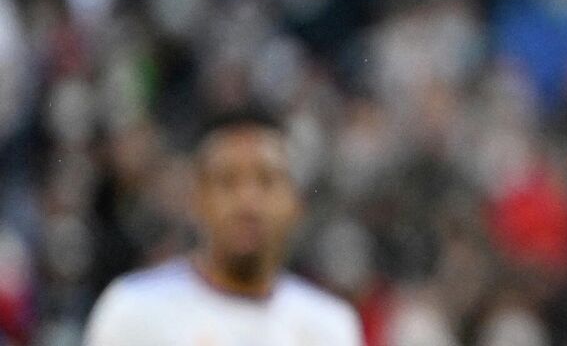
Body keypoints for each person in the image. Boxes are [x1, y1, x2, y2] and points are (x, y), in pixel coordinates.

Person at [82, 107, 363, 346]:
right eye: (227, 181)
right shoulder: (134, 310)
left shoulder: (330, 327)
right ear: (196, 200)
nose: (247, 202)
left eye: (266, 180)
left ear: (296, 203)